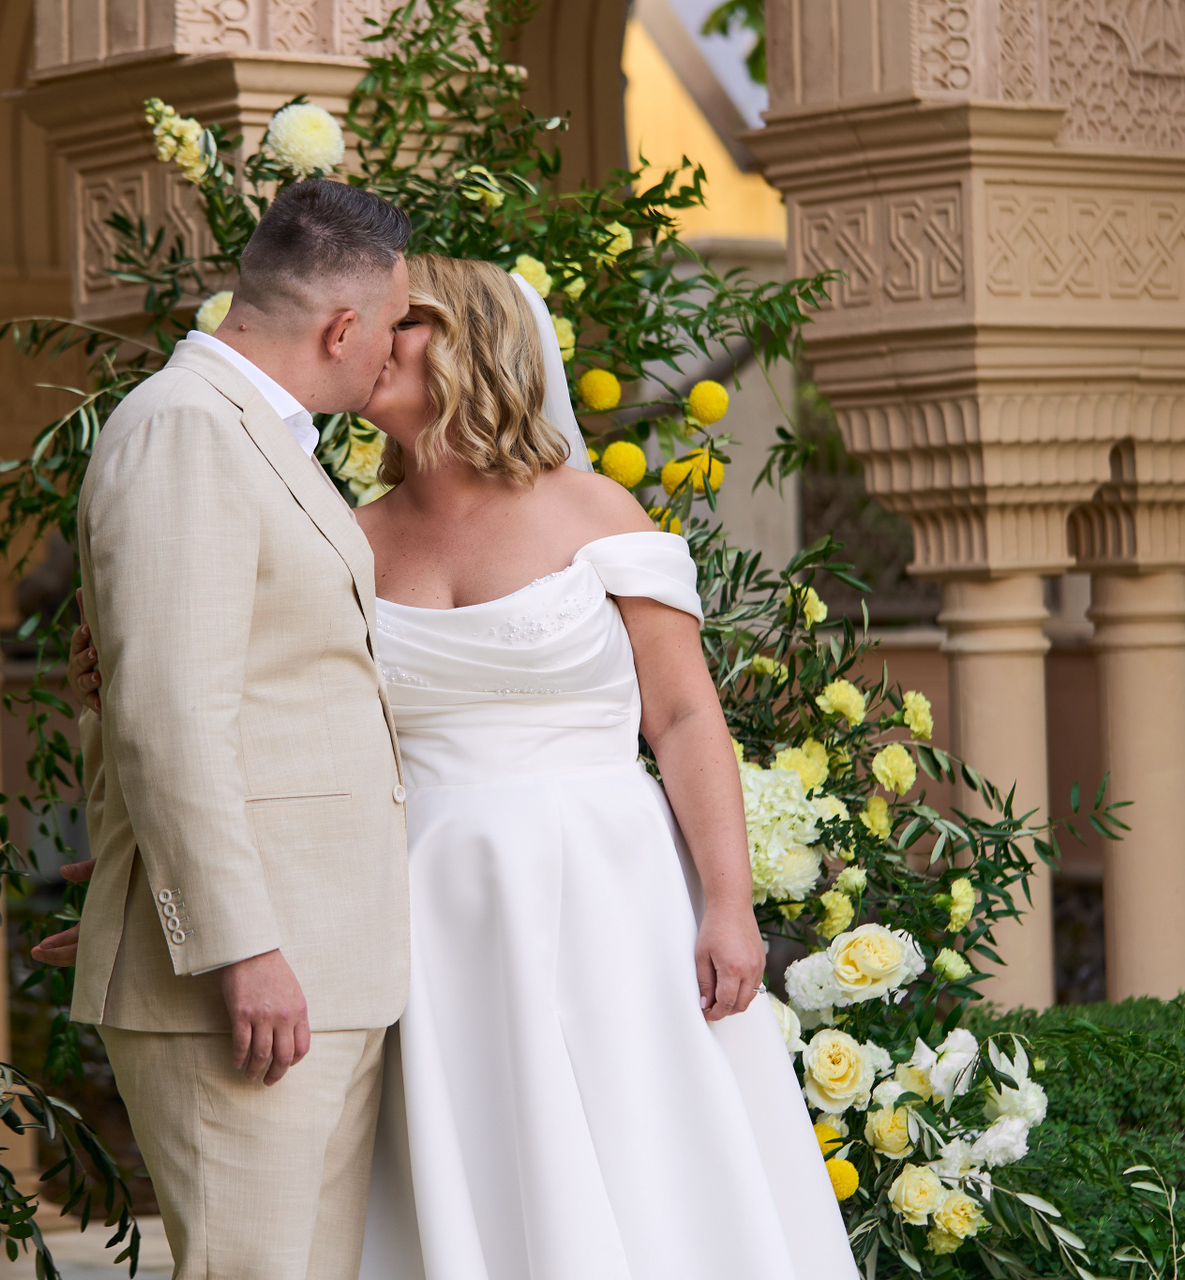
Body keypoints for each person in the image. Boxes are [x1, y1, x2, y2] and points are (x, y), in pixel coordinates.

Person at [58, 255, 857, 1278]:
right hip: (421, 909)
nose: (374, 337)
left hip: (611, 898)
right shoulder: (340, 536)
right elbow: (240, 707)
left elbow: (686, 713)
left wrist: (729, 904)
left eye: (406, 321)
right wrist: (146, 857)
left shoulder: (596, 511)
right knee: (469, 1173)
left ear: (474, 343)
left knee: (642, 1170)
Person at [60, 177, 415, 1280]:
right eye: (394, 325)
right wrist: (238, 944)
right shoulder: (185, 428)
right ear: (343, 328)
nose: (394, 351)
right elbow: (170, 711)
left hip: (324, 953)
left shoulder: (260, 435)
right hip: (249, 972)